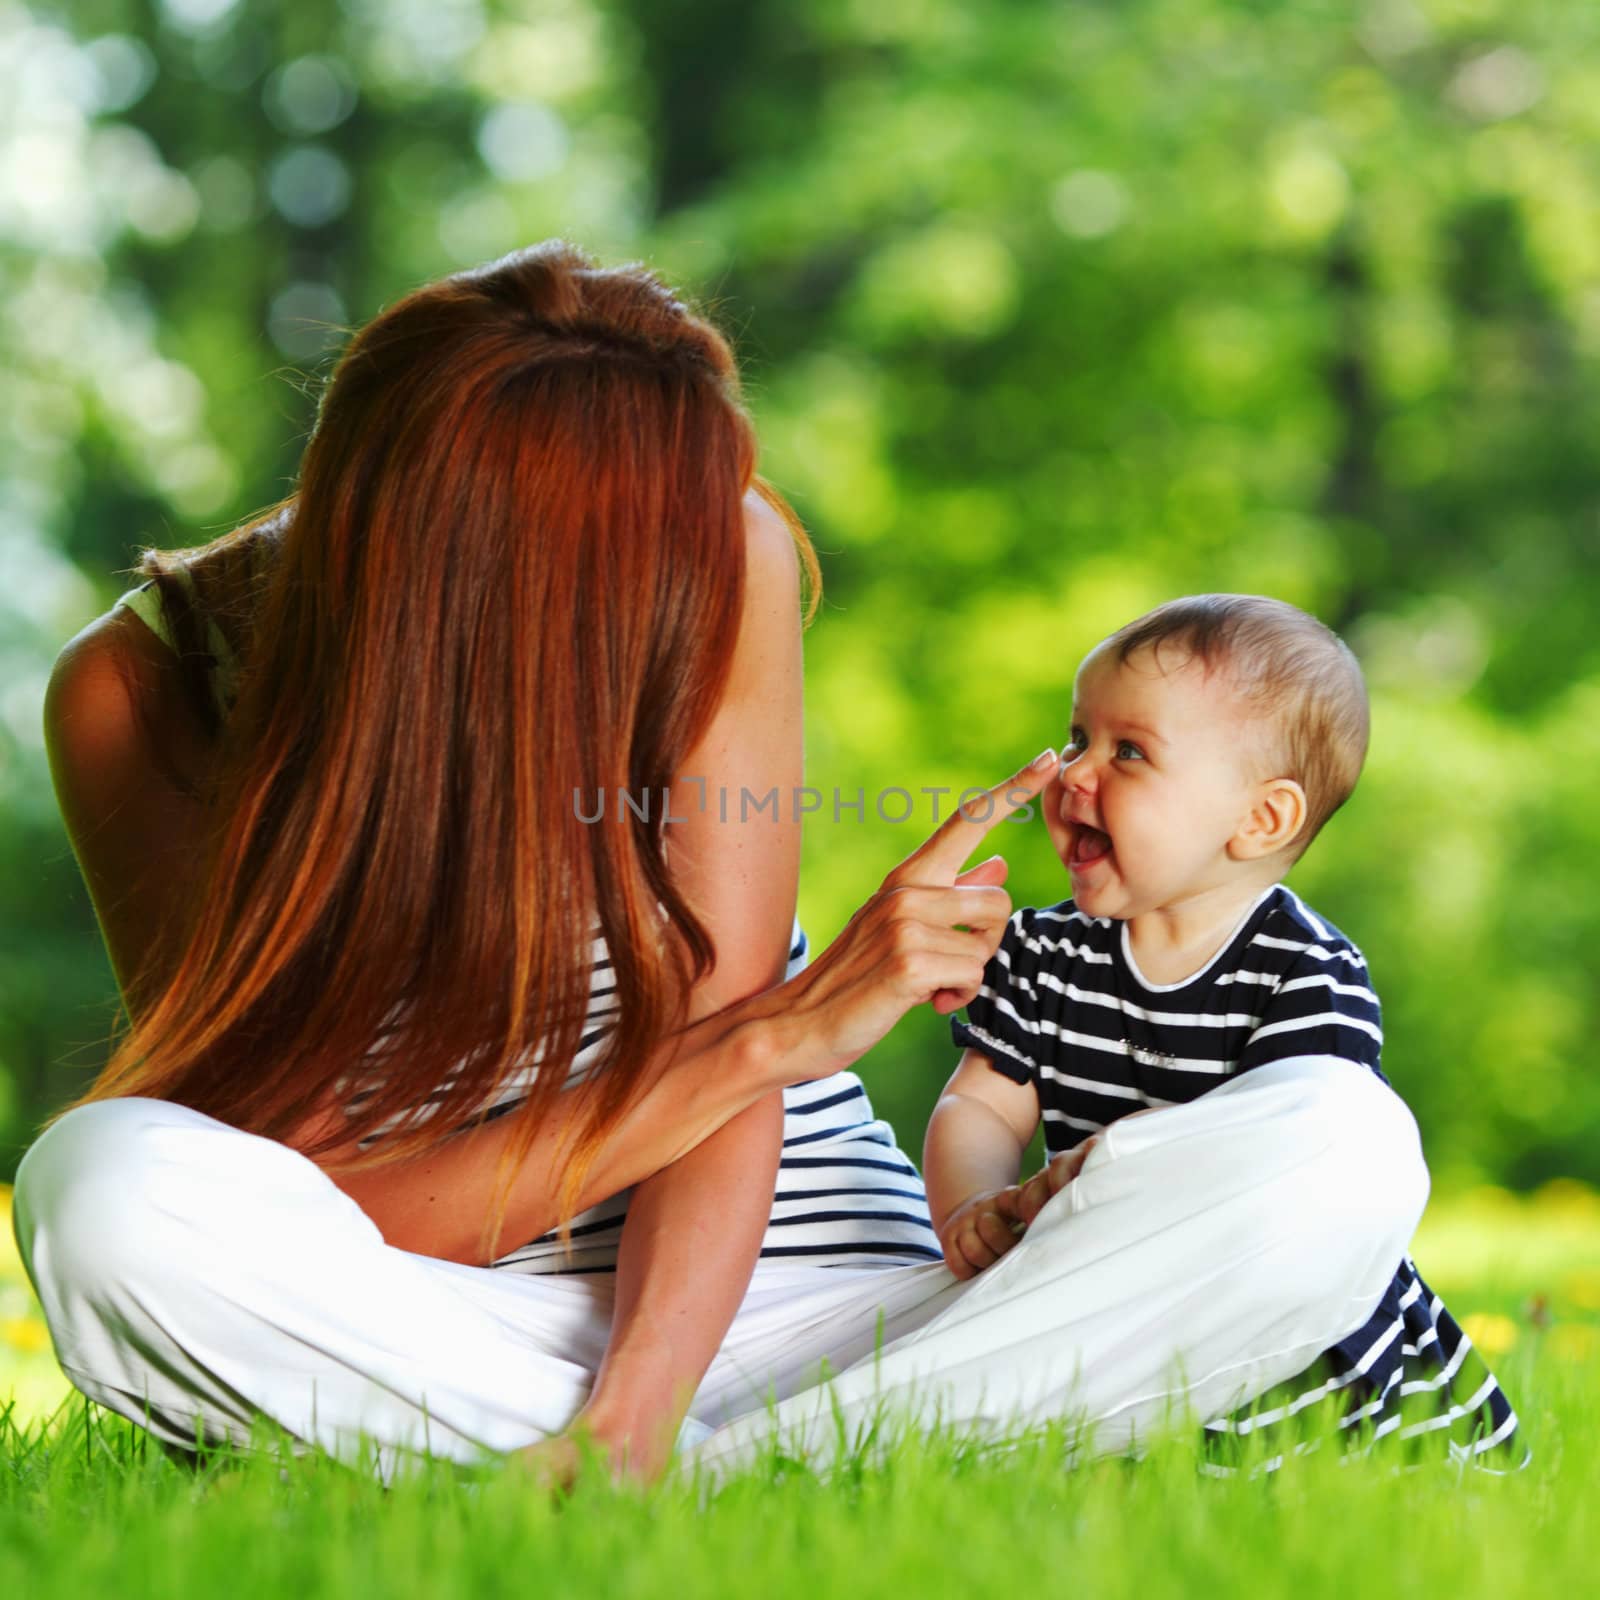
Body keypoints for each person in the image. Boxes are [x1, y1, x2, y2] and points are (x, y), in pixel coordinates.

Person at [13, 246, 1429, 1485]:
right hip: (447, 1312)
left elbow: (729, 1027)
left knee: (1338, 1147)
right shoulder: (141, 700)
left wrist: (639, 1409)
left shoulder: (717, 542)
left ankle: (669, 1465)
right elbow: (332, 1194)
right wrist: (774, 1045)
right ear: (447, 577)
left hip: (830, 1300)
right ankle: (853, 1458)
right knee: (106, 1191)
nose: (709, 584)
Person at [927, 594, 1526, 1472]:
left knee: (1270, 1472)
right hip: (1098, 1278)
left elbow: (1293, 1156)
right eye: (1079, 738)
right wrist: (973, 1207)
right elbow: (981, 1101)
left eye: (1128, 751)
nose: (1076, 773)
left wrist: (1104, 1176)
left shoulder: (1303, 970)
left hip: (1266, 1301)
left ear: (1260, 820)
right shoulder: (1045, 949)